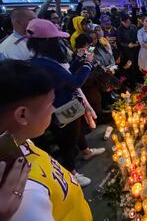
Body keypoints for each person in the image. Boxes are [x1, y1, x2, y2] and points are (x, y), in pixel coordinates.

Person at [0, 60, 92, 220]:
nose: (53, 109)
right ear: (22, 115)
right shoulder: (22, 194)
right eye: (50, 104)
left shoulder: (19, 143)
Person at [27, 19, 104, 187]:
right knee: (67, 142)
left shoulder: (44, 59)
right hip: (61, 109)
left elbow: (65, 72)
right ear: (48, 43)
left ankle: (86, 151)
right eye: (57, 40)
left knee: (76, 133)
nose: (60, 43)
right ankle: (72, 173)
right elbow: (74, 81)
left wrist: (78, 60)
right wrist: (88, 64)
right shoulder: (44, 63)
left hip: (67, 106)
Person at [117, 13, 141, 88]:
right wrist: (127, 45)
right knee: (130, 69)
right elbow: (120, 42)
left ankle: (138, 82)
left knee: (137, 66)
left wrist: (137, 41)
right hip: (127, 52)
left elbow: (137, 35)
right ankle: (132, 85)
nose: (128, 23)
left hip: (136, 50)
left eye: (129, 21)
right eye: (126, 22)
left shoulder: (133, 27)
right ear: (122, 22)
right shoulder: (119, 29)